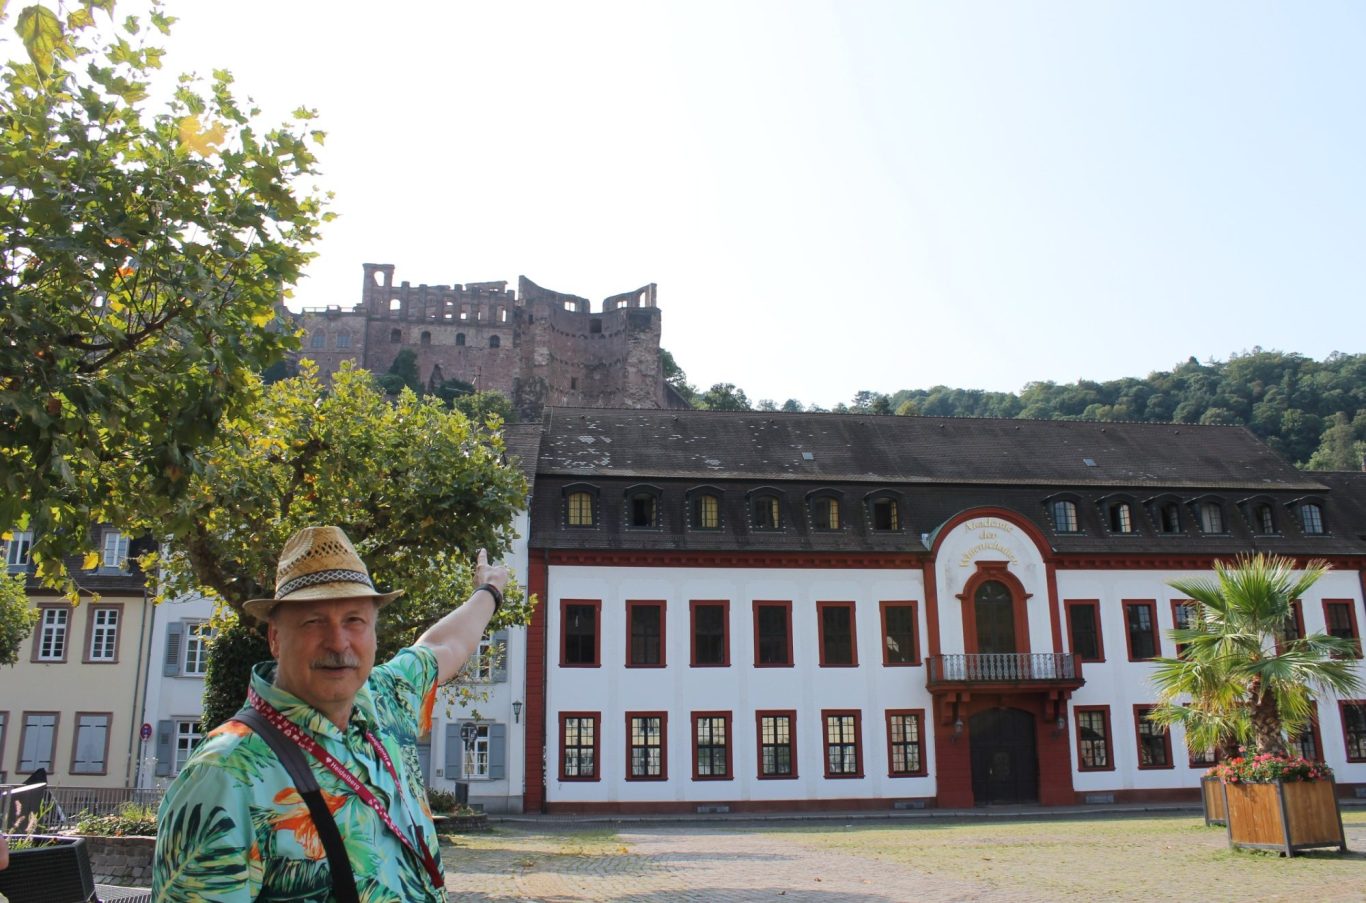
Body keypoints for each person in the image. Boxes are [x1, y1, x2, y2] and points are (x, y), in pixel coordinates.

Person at [152, 525, 507, 902]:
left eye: (354, 620)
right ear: (275, 637)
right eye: (313, 621)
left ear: (373, 632)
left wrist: (489, 592)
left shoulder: (384, 698)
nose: (338, 643)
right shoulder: (224, 774)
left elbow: (443, 644)